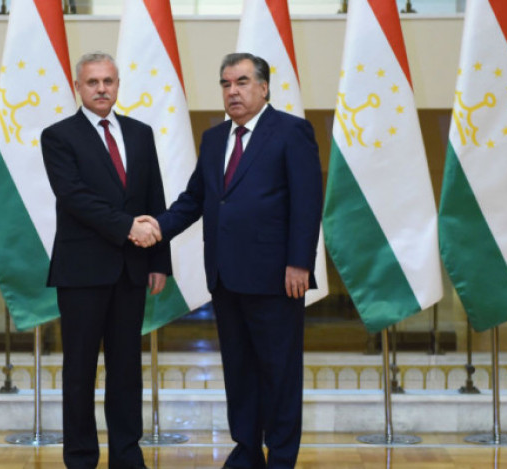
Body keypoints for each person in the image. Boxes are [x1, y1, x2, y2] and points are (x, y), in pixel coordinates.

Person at [135, 53, 323, 468]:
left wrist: (300, 262)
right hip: (225, 277)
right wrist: (159, 226)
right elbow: (195, 199)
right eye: (225, 84)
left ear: (264, 87)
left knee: (279, 372)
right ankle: (246, 451)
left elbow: (308, 202)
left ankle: (282, 457)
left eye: (241, 82)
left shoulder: (291, 131)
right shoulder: (215, 138)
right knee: (239, 372)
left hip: (277, 278)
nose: (232, 91)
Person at [40, 52, 171, 469]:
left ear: (117, 85)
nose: (101, 89)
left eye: (108, 81)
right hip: (82, 273)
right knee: (80, 371)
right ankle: (81, 458)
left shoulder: (140, 133)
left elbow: (154, 196)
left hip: (132, 271)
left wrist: (159, 260)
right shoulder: (58, 136)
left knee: (126, 370)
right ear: (78, 87)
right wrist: (128, 227)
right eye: (93, 82)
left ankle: (127, 457)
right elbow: (74, 197)